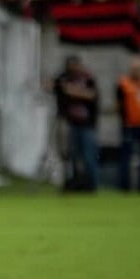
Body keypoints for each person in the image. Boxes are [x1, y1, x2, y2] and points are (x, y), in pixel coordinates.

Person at [53, 56, 99, 192]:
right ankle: (76, 184)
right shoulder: (65, 79)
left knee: (89, 156)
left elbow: (92, 95)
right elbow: (54, 85)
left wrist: (73, 91)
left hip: (87, 125)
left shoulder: (88, 79)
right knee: (73, 156)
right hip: (72, 124)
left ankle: (92, 186)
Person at [116, 55, 140, 192]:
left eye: (139, 69)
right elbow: (119, 104)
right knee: (126, 157)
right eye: (135, 69)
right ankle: (125, 186)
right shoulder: (124, 84)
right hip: (129, 126)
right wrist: (124, 122)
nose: (137, 72)